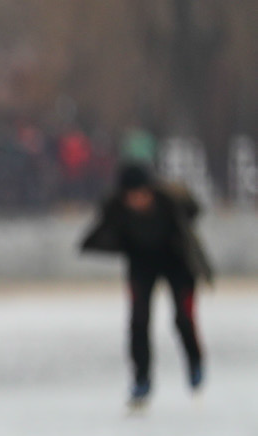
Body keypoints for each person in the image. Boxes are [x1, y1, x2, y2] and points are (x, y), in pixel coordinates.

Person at [79, 160, 212, 408]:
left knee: (184, 318)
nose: (137, 201)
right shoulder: (115, 208)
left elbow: (194, 210)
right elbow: (102, 230)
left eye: (141, 195)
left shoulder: (170, 201)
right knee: (138, 321)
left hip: (178, 262)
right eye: (131, 197)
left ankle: (195, 365)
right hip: (142, 265)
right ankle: (141, 380)